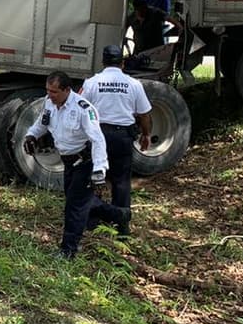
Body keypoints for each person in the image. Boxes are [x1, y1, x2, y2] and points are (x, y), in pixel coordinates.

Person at [23, 71, 130, 258]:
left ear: (66, 90)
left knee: (74, 206)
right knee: (81, 200)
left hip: (85, 162)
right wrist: (31, 135)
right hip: (67, 162)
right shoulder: (50, 103)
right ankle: (119, 215)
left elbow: (98, 140)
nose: (50, 95)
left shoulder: (83, 109)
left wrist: (99, 170)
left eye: (54, 91)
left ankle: (68, 249)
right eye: (48, 90)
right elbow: (42, 123)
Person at [81, 45, 152, 233]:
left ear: (102, 62)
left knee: (94, 178)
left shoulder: (92, 83)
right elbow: (144, 114)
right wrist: (146, 135)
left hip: (98, 136)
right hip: (122, 137)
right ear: (122, 63)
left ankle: (92, 221)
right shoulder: (133, 84)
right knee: (121, 181)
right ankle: (121, 224)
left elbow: (79, 107)